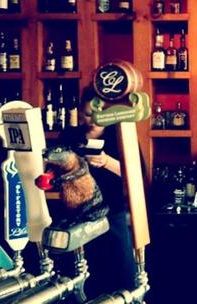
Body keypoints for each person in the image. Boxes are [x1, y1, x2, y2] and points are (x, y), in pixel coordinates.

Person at [58, 85, 138, 299]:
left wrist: (106, 161)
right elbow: (56, 165)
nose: (92, 120)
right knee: (81, 276)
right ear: (79, 111)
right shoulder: (69, 135)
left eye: (98, 115)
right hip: (78, 215)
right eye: (87, 114)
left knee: (123, 274)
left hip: (112, 212)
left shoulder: (120, 135)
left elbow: (136, 173)